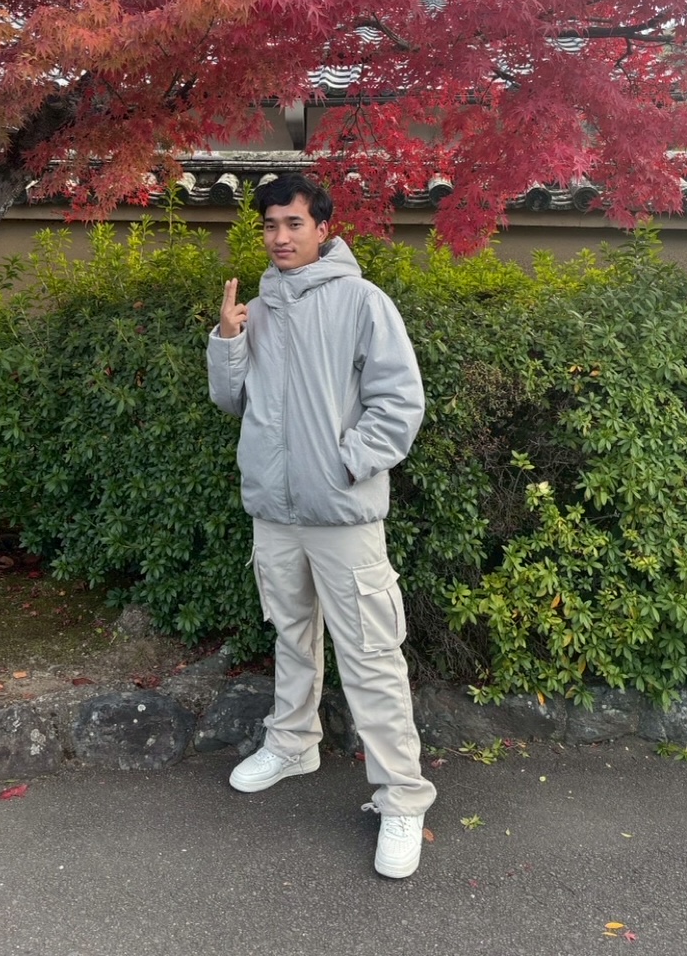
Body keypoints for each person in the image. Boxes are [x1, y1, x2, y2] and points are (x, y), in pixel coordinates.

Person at [206, 172, 436, 879]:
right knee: (292, 633)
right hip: (275, 513)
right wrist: (228, 339)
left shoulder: (363, 301)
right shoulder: (258, 308)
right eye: (270, 225)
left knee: (370, 652)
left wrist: (346, 464)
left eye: (294, 223)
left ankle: (402, 798)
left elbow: (400, 402)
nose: (280, 237)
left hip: (340, 513)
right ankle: (292, 743)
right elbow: (232, 401)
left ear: (323, 228)